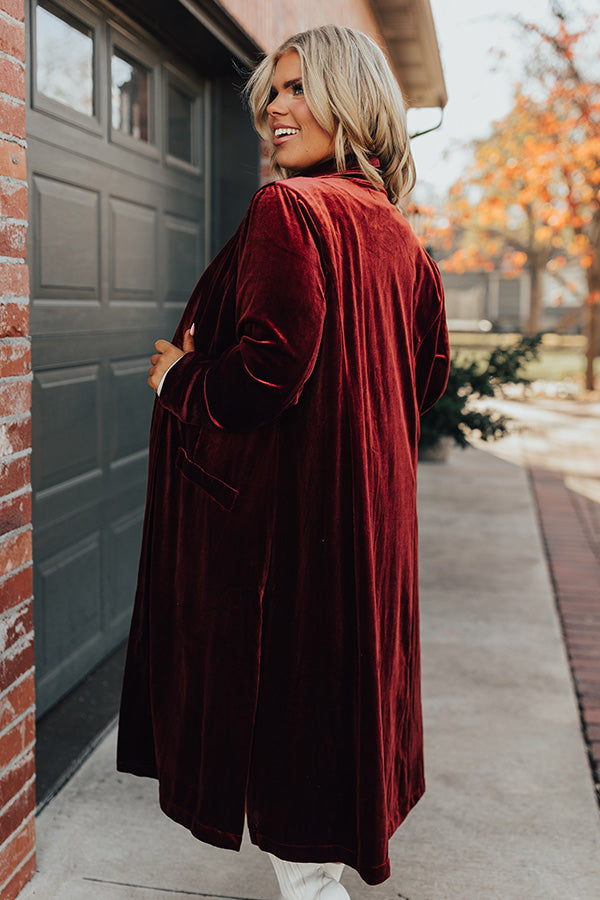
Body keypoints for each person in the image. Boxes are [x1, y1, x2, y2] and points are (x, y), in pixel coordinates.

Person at [117, 24, 450, 900]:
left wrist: (181, 378)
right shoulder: (401, 239)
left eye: (299, 88)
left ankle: (312, 885)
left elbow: (266, 369)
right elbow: (427, 377)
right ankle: (319, 869)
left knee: (281, 715)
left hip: (283, 528)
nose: (275, 106)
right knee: (335, 705)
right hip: (365, 521)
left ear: (352, 100)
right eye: (272, 90)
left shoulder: (289, 210)